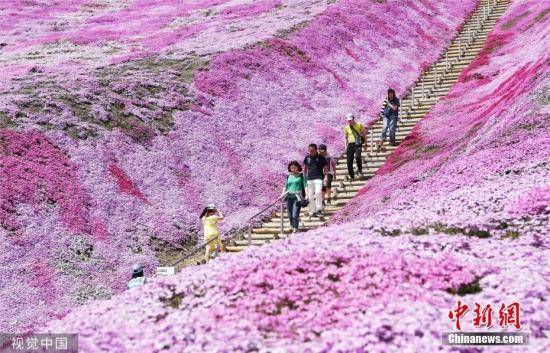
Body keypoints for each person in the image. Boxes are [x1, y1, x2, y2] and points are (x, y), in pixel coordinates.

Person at [277, 161, 307, 233]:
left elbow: (306, 186)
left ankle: (295, 229)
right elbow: (285, 187)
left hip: (297, 197)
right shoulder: (288, 176)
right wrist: (281, 196)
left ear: (298, 167)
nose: (293, 169)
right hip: (289, 197)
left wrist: (307, 195)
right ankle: (293, 226)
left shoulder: (301, 176)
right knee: (290, 215)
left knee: (295, 214)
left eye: (294, 167)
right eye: (291, 168)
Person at [303, 143, 328, 218]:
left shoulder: (321, 157)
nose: (311, 152)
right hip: (309, 179)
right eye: (310, 150)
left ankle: (319, 209)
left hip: (318, 178)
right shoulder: (307, 157)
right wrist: (304, 177)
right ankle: (312, 210)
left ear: (316, 150)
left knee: (318, 193)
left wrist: (326, 177)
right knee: (310, 195)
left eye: (313, 150)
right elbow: (305, 167)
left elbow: (325, 168)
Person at [343, 113, 366, 181]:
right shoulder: (346, 127)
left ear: (353, 119)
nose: (349, 121)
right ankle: (352, 176)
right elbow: (346, 137)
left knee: (358, 157)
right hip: (350, 144)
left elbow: (364, 133)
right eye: (348, 120)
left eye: (350, 120)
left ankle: (360, 171)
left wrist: (365, 143)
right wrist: (345, 146)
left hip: (358, 142)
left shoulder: (359, 124)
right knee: (349, 162)